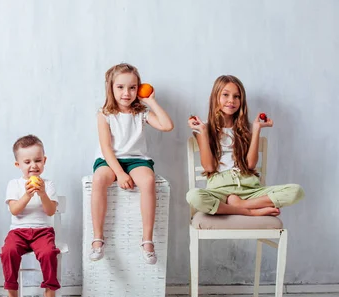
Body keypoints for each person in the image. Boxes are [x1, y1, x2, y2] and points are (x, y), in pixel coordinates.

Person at [90, 63, 174, 263]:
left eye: (132, 87)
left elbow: (167, 126)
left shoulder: (142, 113)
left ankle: (147, 239)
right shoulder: (104, 114)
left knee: (148, 181)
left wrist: (151, 101)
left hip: (137, 160)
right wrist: (120, 174)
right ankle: (98, 238)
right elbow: (106, 148)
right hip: (109, 159)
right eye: (120, 87)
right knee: (99, 179)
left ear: (138, 88)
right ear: (110, 88)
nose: (126, 93)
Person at [186, 74, 304, 216]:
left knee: (296, 191)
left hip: (249, 189)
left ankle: (244, 205)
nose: (231, 100)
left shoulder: (246, 129)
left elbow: (250, 165)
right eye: (226, 95)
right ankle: (250, 212)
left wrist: (256, 130)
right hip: (219, 190)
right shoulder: (203, 129)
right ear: (215, 97)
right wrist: (203, 132)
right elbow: (209, 167)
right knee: (193, 196)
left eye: (237, 96)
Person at [0, 135, 60, 297]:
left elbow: (50, 211)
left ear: (44, 161)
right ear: (18, 164)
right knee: (8, 252)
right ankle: (12, 293)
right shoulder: (14, 185)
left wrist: (42, 194)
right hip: (18, 232)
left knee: (49, 253)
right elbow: (14, 210)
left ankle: (49, 290)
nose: (33, 165)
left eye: (38, 160)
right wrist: (27, 195)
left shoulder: (48, 185)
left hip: (42, 232)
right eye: (27, 162)